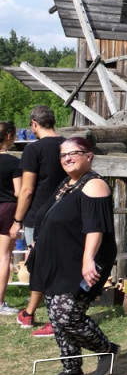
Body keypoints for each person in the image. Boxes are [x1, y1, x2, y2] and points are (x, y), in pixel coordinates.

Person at [30, 136, 119, 375]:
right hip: (57, 260)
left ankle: (107, 349)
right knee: (56, 316)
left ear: (89, 156)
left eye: (74, 153)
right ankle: (71, 367)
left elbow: (95, 228)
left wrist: (88, 260)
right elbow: (47, 217)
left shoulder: (94, 185)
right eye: (63, 155)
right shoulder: (68, 183)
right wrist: (35, 245)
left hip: (80, 262)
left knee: (67, 315)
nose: (67, 158)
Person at [12, 105, 65, 334]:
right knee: (61, 266)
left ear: (34, 123)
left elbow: (26, 190)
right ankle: (34, 312)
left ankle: (49, 318)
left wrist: (17, 220)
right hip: (65, 213)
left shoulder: (34, 150)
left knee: (40, 267)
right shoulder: (67, 145)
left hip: (40, 216)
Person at [1, 121, 22, 315]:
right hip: (7, 209)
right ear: (8, 136)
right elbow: (18, 191)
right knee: (4, 256)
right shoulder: (14, 162)